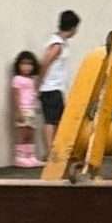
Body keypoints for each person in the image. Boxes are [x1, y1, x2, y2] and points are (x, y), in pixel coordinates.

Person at [38, 9, 80, 153]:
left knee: (58, 120)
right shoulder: (57, 45)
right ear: (73, 27)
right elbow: (45, 63)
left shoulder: (59, 42)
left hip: (56, 88)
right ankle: (50, 150)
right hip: (50, 88)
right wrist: (39, 84)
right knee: (51, 120)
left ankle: (55, 148)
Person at [11, 50, 42, 170]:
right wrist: (18, 110)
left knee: (31, 134)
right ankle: (20, 158)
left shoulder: (32, 80)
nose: (27, 67)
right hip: (23, 109)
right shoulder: (17, 79)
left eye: (30, 64)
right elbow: (16, 96)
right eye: (23, 64)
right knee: (23, 134)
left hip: (31, 110)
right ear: (18, 65)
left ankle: (31, 156)